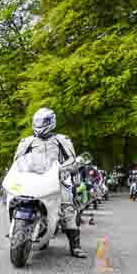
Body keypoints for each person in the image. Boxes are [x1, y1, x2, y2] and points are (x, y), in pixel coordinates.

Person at [14, 108, 89, 258]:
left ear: (51, 122)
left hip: (56, 177)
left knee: (67, 208)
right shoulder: (27, 141)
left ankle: (75, 246)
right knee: (18, 199)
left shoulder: (62, 139)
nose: (39, 125)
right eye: (37, 121)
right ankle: (18, 228)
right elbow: (17, 160)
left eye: (43, 122)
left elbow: (71, 158)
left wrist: (64, 168)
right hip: (33, 177)